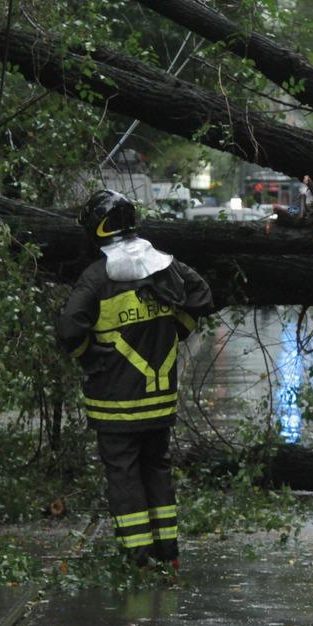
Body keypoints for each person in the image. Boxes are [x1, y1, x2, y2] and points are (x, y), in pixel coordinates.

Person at [56, 190, 213, 567]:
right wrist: (178, 331)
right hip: (159, 401)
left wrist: (89, 357)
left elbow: (68, 329)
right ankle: (168, 552)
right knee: (156, 468)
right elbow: (202, 296)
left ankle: (138, 556)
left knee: (124, 475)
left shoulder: (96, 278)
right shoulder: (163, 265)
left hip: (116, 403)